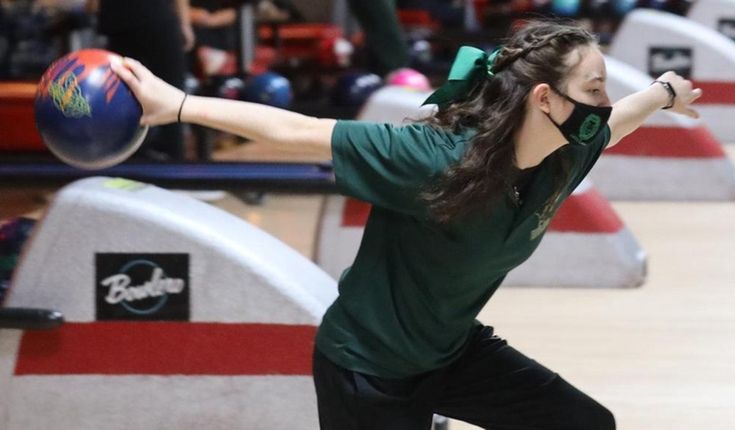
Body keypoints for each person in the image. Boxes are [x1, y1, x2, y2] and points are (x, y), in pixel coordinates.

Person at [111, 20, 701, 430]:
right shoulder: (431, 157)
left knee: (583, 424)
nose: (602, 102)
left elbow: (618, 120)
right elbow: (299, 130)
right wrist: (179, 105)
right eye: (593, 88)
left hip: (449, 352)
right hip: (369, 369)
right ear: (545, 99)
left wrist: (664, 92)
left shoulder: (565, 154)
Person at [92, 0, 194, 161]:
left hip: (119, 21)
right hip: (156, 17)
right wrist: (185, 23)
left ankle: (128, 161)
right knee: (172, 94)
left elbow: (92, 5)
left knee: (124, 95)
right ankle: (175, 162)